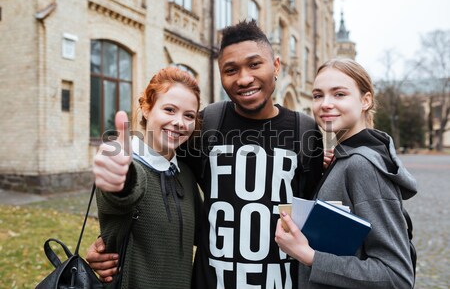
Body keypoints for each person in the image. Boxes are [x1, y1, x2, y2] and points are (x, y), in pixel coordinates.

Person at [87, 20, 324, 288]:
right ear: (221, 75)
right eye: (231, 70)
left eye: (255, 64)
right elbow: (146, 178)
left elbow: (315, 210)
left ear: (276, 66)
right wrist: (111, 238)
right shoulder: (208, 124)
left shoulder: (305, 130)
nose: (244, 78)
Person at [275, 58, 417, 288]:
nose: (325, 104)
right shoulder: (344, 159)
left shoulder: (363, 166)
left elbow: (396, 276)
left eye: (339, 94)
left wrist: (308, 256)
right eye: (318, 95)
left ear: (365, 100)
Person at [93, 67, 202, 288]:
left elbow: (203, 235)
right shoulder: (129, 167)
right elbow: (125, 191)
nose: (180, 122)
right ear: (145, 108)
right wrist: (120, 176)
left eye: (189, 115)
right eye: (169, 110)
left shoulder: (186, 176)